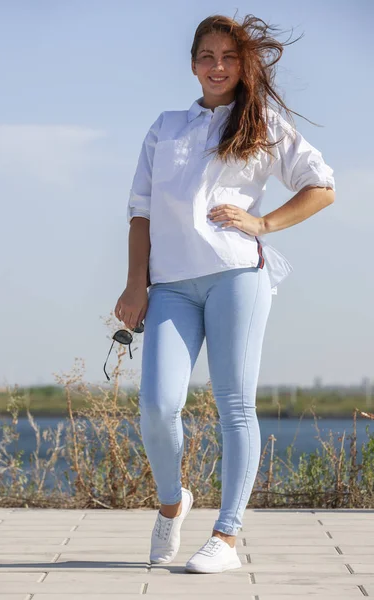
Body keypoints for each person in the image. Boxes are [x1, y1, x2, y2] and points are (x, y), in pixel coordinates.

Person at [114, 13, 335, 574]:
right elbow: (140, 212)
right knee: (158, 406)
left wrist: (263, 225)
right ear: (193, 65)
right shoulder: (164, 127)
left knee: (236, 404)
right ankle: (173, 502)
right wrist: (135, 283)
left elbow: (322, 186)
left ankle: (226, 536)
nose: (217, 66)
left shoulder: (263, 122)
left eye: (229, 57)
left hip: (238, 274)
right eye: (207, 57)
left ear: (244, 66)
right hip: (170, 284)